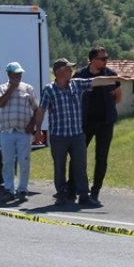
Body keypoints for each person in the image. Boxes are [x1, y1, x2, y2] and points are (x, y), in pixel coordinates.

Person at [29, 58, 124, 208]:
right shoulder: (49, 89)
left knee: (80, 166)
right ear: (59, 72)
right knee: (59, 166)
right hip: (58, 136)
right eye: (68, 69)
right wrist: (38, 130)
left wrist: (115, 78)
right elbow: (41, 110)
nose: (71, 71)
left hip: (77, 134)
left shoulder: (77, 84)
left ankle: (84, 196)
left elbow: (96, 81)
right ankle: (61, 194)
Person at [70, 46, 121, 202]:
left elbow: (118, 97)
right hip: (84, 123)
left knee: (101, 158)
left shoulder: (111, 75)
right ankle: (71, 189)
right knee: (77, 157)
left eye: (107, 58)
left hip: (106, 123)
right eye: (103, 58)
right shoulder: (80, 75)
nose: (106, 61)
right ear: (92, 60)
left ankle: (95, 191)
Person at [0, 61, 39, 201]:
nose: (18, 77)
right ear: (9, 74)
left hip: (23, 132)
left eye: (20, 74)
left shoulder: (28, 89)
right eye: (15, 74)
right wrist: (11, 89)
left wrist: (33, 125)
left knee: (24, 161)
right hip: (7, 131)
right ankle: (9, 189)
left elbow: (36, 109)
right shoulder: (2, 88)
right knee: (7, 162)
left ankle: (23, 190)